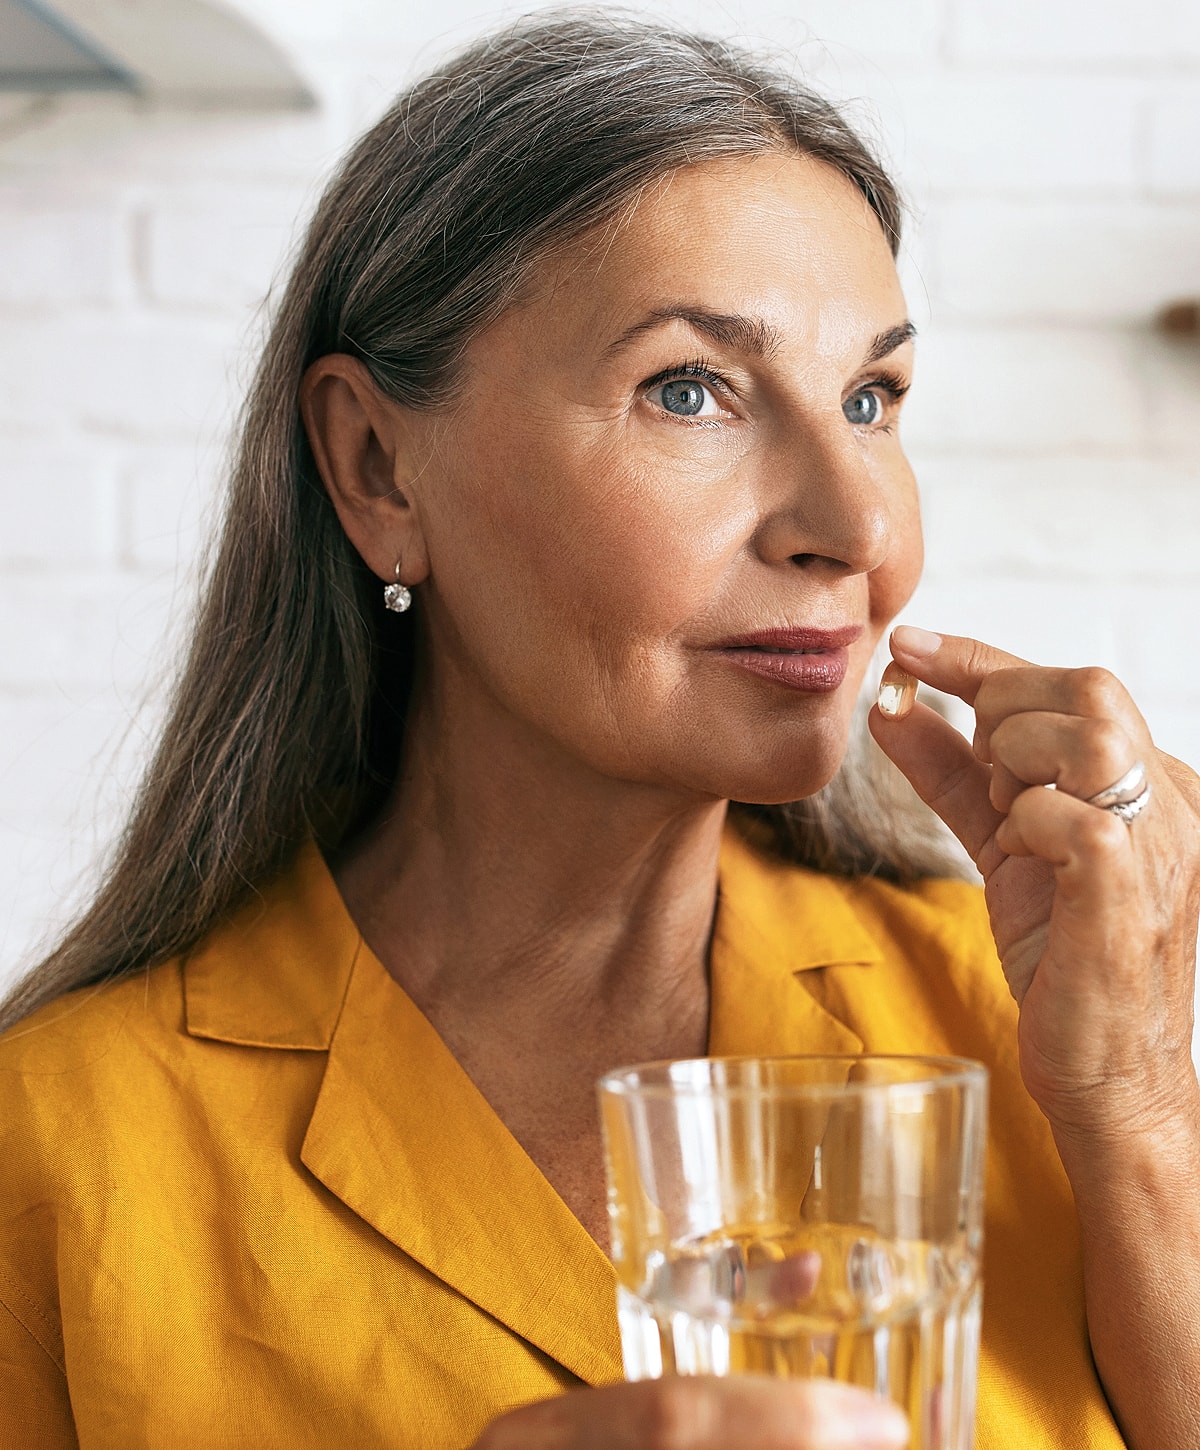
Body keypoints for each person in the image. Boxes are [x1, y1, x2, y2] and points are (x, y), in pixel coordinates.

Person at [1, 14, 1198, 1449]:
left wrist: (1135, 1097)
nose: (859, 524)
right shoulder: (63, 1146)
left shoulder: (1019, 1021)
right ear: (378, 466)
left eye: (871, 398)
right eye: (690, 389)